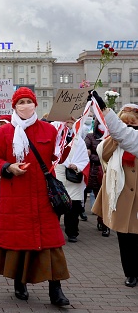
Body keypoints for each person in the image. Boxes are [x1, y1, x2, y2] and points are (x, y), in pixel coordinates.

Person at [0, 87, 70, 306]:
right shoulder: (5, 132)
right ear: (14, 106)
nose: (25, 105)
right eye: (21, 102)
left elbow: (59, 156)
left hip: (44, 197)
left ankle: (56, 290)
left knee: (52, 244)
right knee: (18, 243)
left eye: (29, 101)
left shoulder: (49, 130)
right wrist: (8, 167)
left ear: (35, 104)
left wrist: (68, 134)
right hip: (16, 197)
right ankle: (19, 282)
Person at [89, 92, 138, 288]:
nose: (130, 126)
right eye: (126, 123)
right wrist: (117, 137)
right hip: (122, 195)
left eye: (133, 122)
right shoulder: (115, 139)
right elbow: (103, 154)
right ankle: (130, 273)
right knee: (125, 238)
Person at [54, 119, 89, 243]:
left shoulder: (79, 141)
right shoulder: (56, 139)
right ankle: (54, 231)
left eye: (71, 123)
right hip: (59, 175)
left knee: (73, 208)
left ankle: (72, 232)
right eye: (66, 122)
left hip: (74, 177)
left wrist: (77, 166)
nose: (68, 125)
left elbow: (85, 159)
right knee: (56, 203)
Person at [84, 119, 109, 236]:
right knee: (101, 198)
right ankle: (103, 223)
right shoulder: (90, 137)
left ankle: (105, 223)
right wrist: (98, 158)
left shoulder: (112, 136)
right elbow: (84, 152)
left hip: (111, 172)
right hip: (96, 173)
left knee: (108, 200)